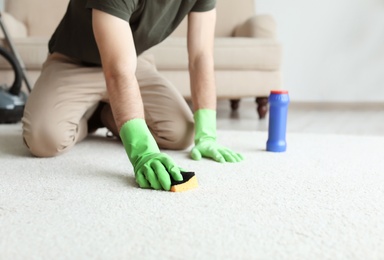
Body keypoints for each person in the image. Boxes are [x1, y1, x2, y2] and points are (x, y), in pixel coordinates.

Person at [22, 0, 244, 191]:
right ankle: (93, 117)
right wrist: (143, 152)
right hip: (75, 63)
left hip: (133, 63)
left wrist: (207, 133)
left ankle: (108, 114)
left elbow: (201, 56)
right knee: (44, 140)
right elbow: (117, 70)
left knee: (179, 134)